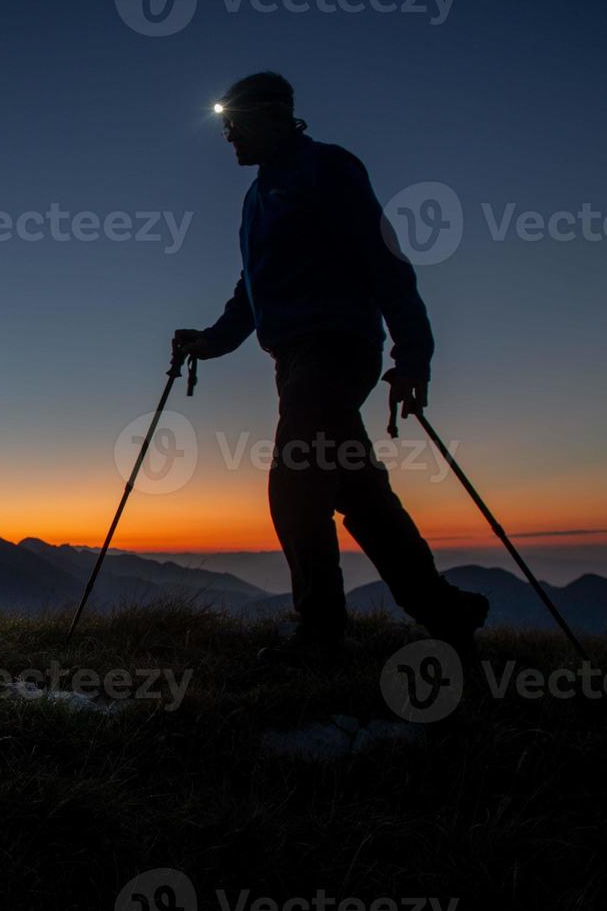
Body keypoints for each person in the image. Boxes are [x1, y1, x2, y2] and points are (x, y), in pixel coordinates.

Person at [173, 71, 488, 663]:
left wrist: (412, 354)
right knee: (356, 488)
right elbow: (253, 290)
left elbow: (382, 256)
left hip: (334, 350)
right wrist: (209, 343)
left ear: (272, 114)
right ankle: (446, 610)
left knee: (295, 482)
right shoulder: (257, 196)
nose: (226, 135)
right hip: (294, 359)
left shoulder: (327, 169)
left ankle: (320, 634)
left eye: (232, 121)